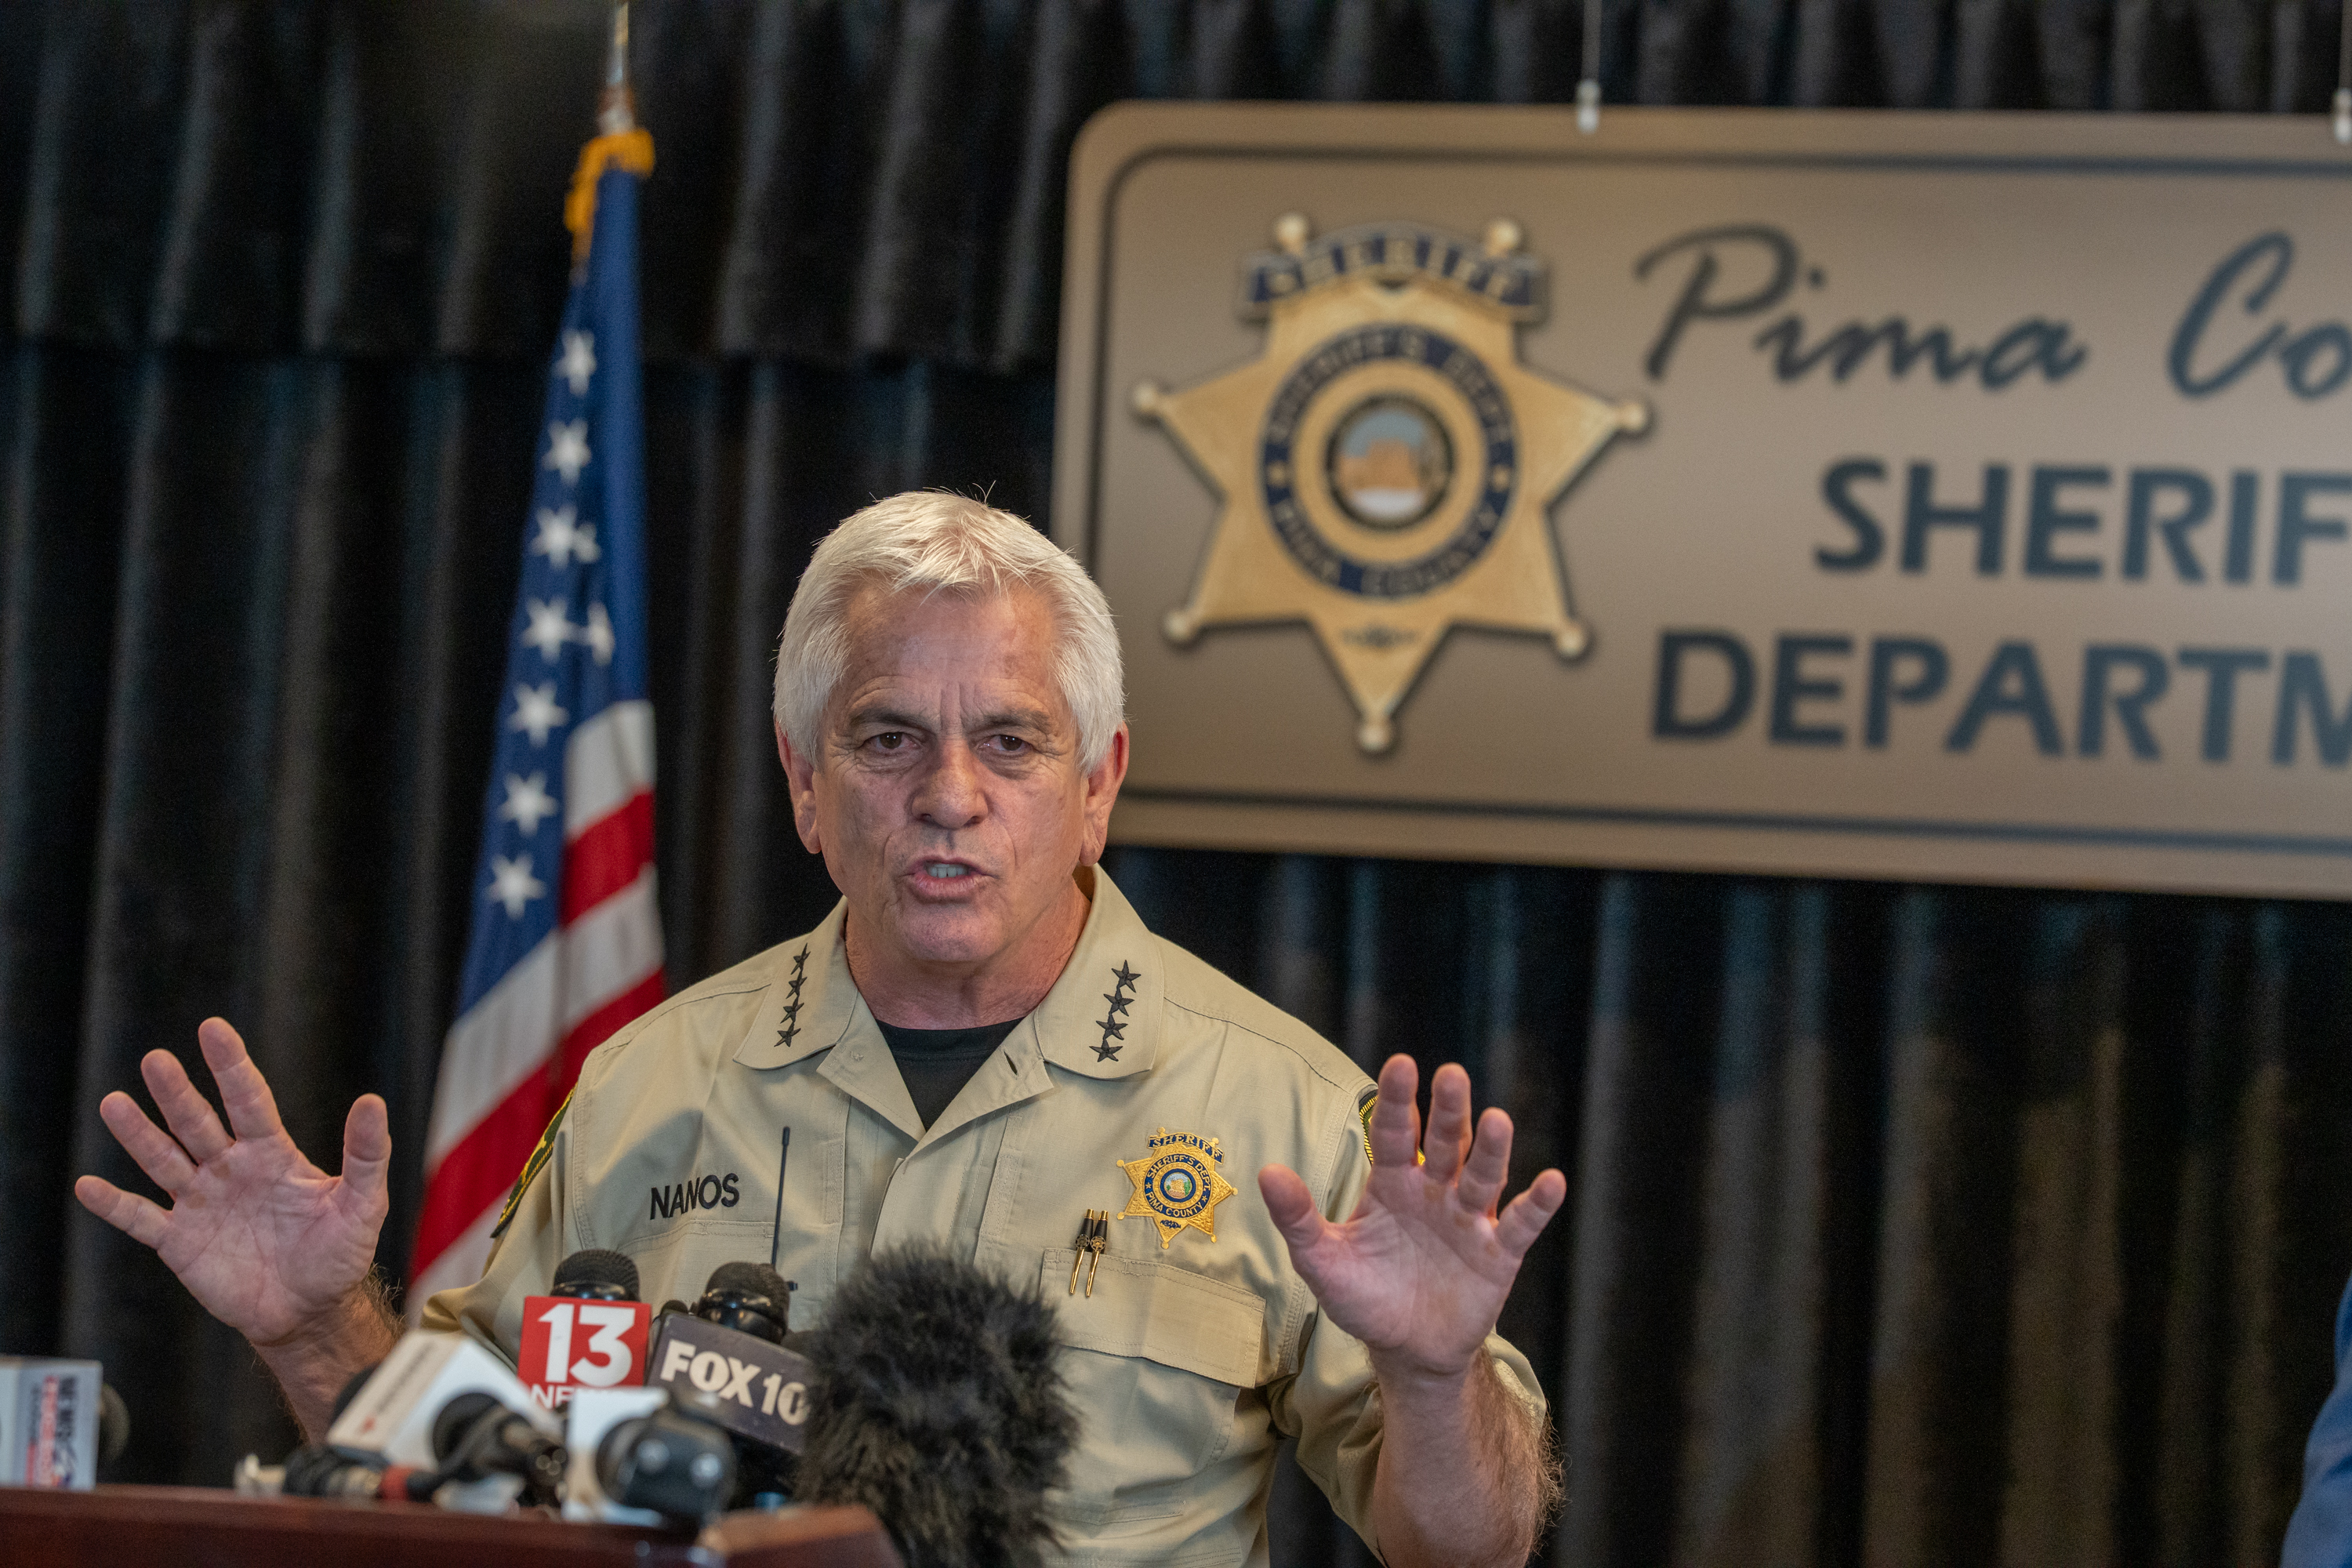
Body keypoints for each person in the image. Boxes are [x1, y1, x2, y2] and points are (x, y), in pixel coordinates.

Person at [76, 492, 1568, 1566]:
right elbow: (463, 1478)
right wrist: (311, 1325)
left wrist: (1436, 1379)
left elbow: (1471, 1548)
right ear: (803, 780)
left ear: (1100, 782)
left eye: (1011, 740)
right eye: (887, 738)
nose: (950, 796)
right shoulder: (649, 1082)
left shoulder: (1286, 1115)